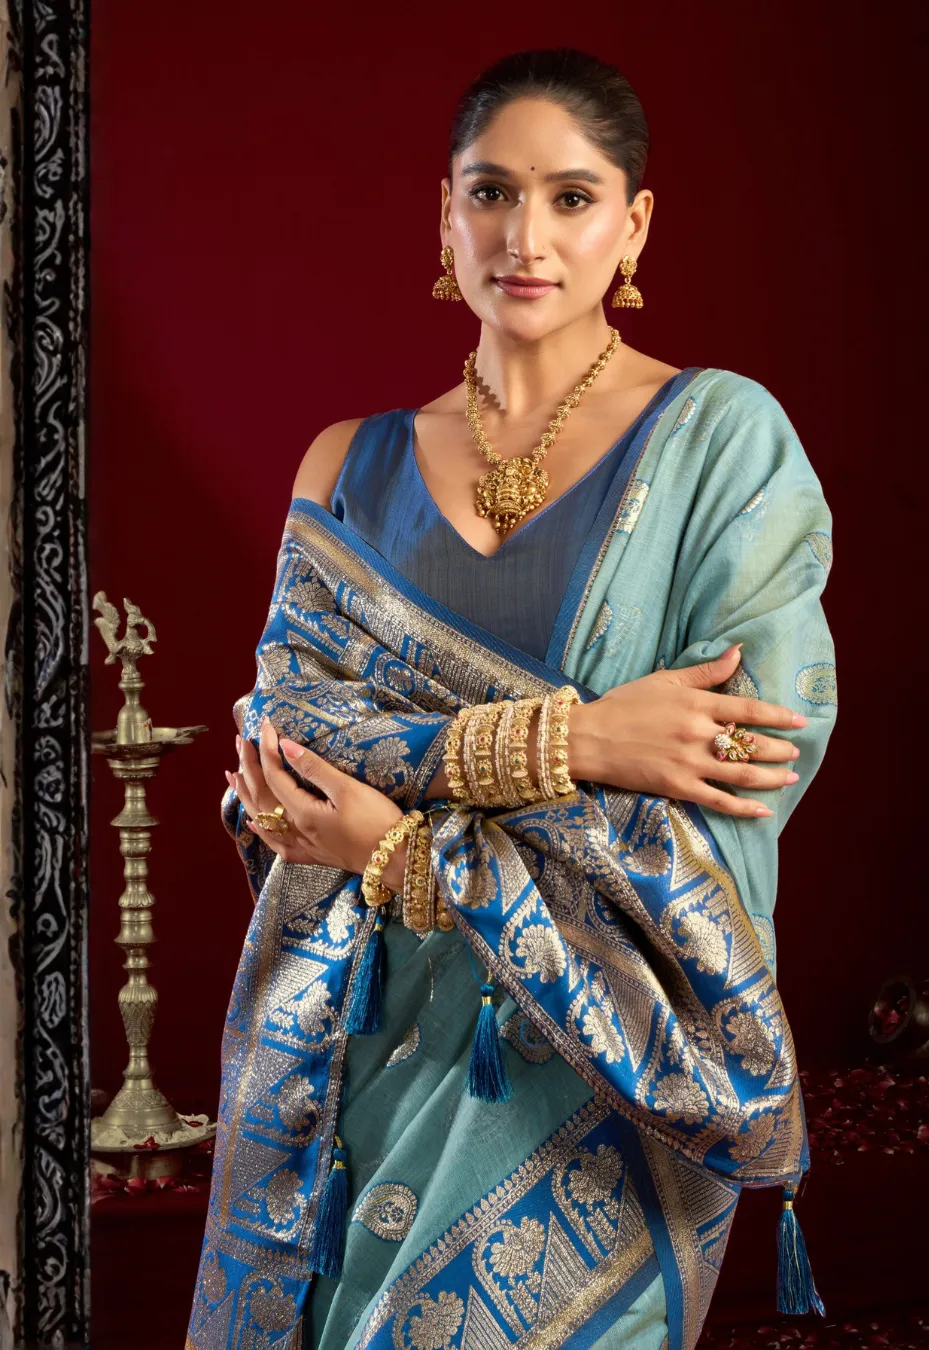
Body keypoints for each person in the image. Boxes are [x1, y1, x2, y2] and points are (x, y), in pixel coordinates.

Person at [186, 46, 837, 1350]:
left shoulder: (720, 444)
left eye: (571, 197)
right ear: (445, 215)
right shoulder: (350, 466)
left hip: (602, 1077)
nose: (524, 237)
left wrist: (402, 847)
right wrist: (581, 739)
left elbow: (729, 785)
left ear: (633, 224)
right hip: (359, 1059)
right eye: (490, 193)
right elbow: (287, 755)